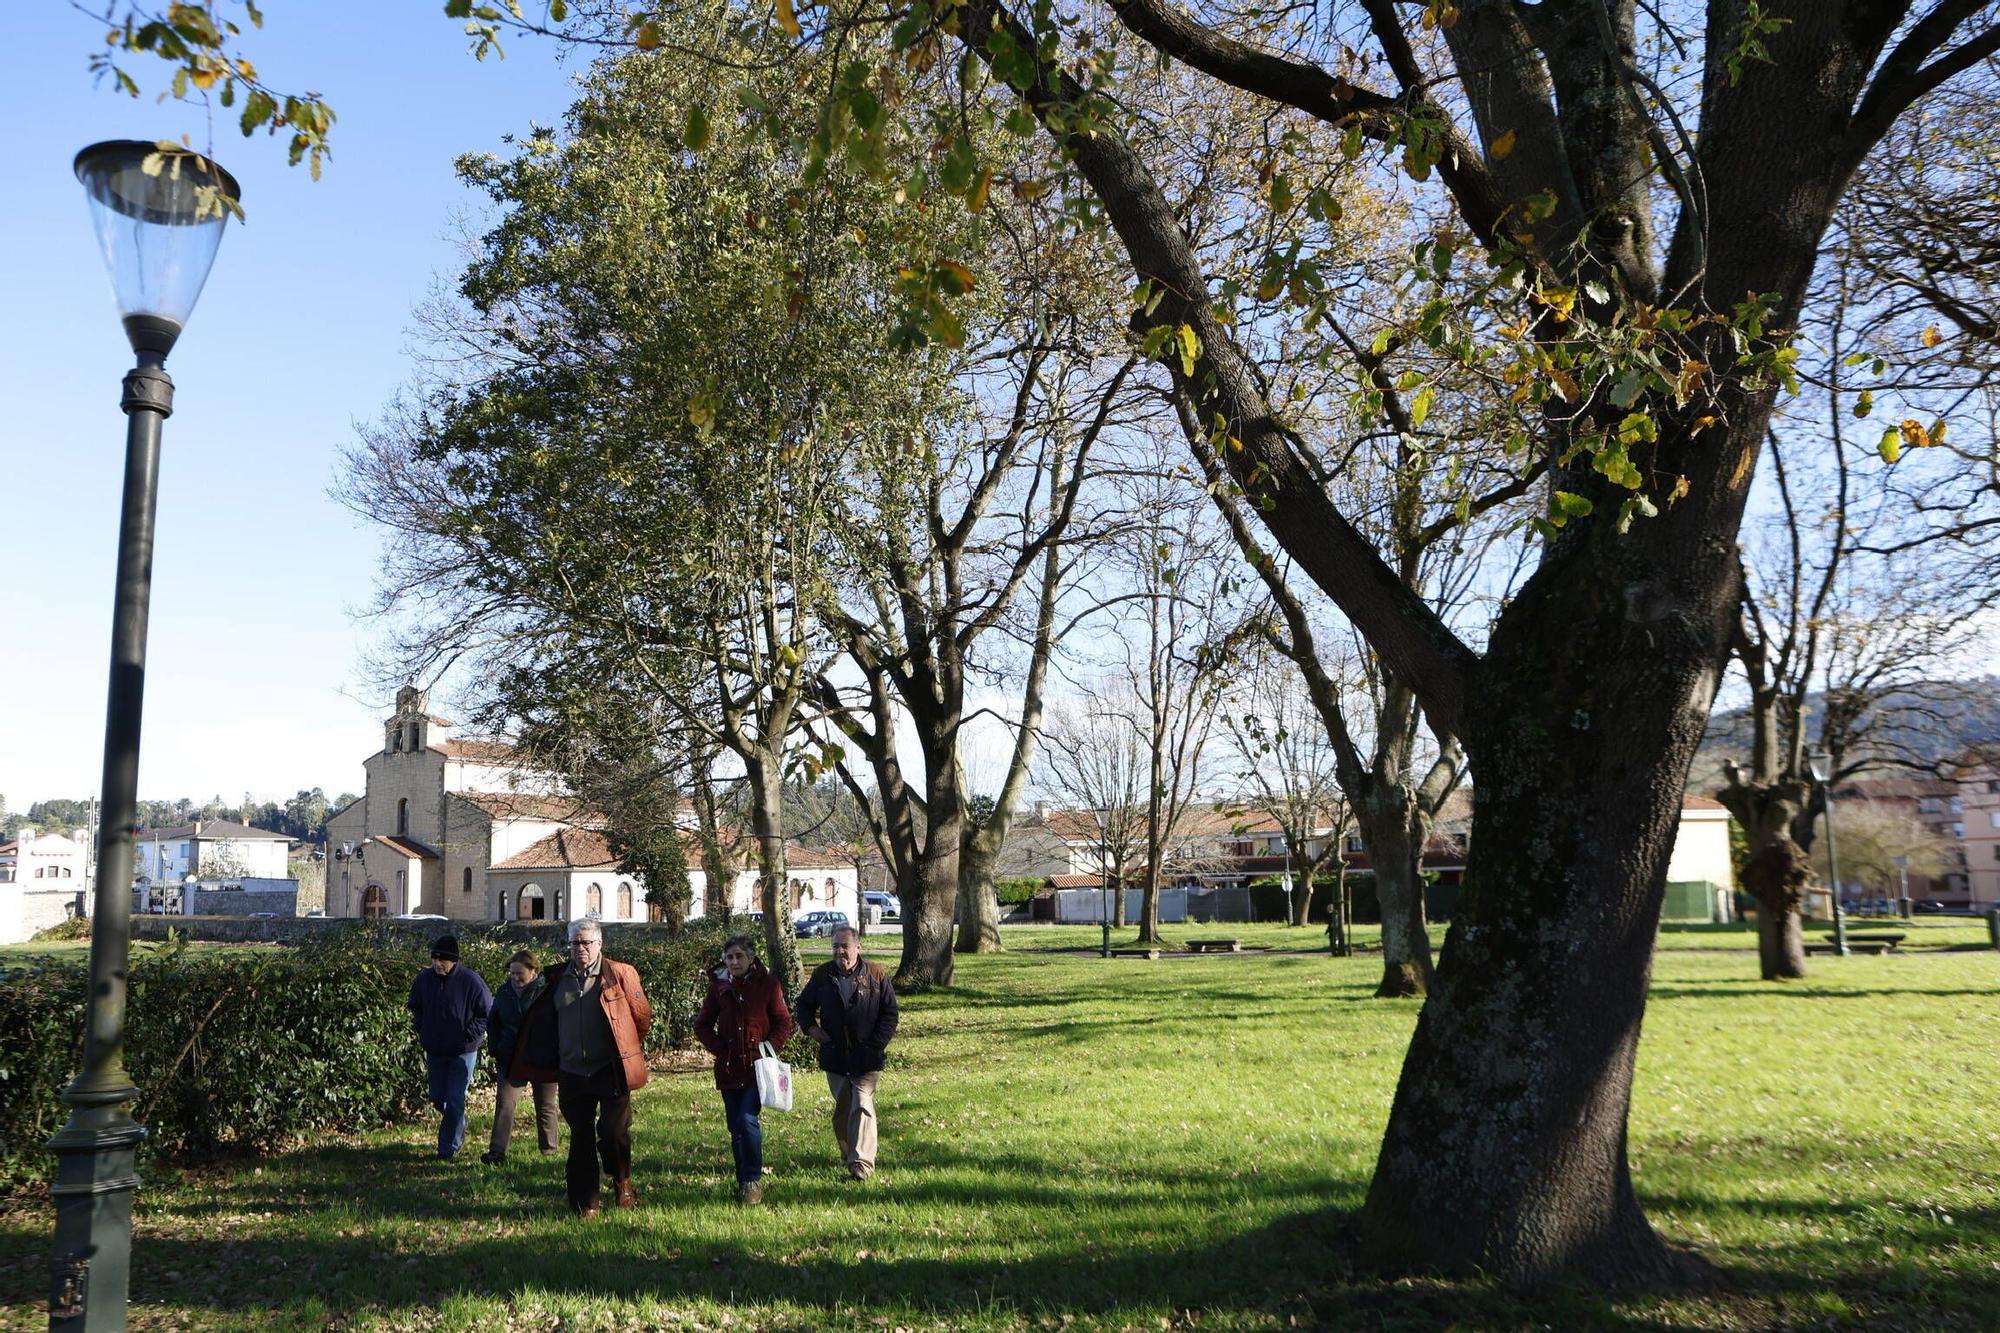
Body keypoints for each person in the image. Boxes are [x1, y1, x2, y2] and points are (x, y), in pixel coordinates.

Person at [508, 919, 653, 1216]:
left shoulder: (621, 974)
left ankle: (621, 1180)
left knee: (614, 1132)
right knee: (581, 1137)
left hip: (610, 1068)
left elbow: (642, 1018)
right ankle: (586, 1201)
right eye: (575, 943)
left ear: (599, 944)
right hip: (572, 1071)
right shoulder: (556, 979)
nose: (581, 949)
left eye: (586, 943)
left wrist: (625, 1048)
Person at [694, 933, 794, 1204]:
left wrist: (768, 1048)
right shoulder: (718, 988)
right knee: (735, 1126)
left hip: (757, 1069)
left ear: (751, 958)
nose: (734, 961)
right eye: (729, 957)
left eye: (739, 956)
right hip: (728, 1068)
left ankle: (752, 1180)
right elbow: (702, 1025)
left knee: (747, 1120)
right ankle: (742, 1181)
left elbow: (784, 1022)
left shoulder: (769, 985)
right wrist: (720, 1048)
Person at [793, 923, 898, 1180]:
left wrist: (875, 1045)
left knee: (862, 1104)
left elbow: (890, 1014)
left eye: (845, 946)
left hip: (867, 1056)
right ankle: (848, 1151)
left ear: (857, 947)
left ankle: (861, 1162)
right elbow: (803, 1006)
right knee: (843, 1107)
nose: (840, 951)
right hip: (835, 1055)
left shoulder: (876, 974)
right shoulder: (822, 976)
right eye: (835, 946)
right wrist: (812, 1030)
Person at [407, 934, 492, 1161]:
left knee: (455, 1098)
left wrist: (469, 1035)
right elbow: (414, 1005)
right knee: (437, 1097)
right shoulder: (424, 978)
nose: (438, 964)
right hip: (435, 1049)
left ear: (454, 961)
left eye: (443, 960)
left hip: (463, 1052)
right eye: (435, 959)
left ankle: (447, 1148)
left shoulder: (471, 981)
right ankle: (458, 1120)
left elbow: (486, 1013)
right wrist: (423, 1027)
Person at [481, 949, 560, 1163]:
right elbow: (494, 1021)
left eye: (520, 973)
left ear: (534, 971)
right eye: (512, 973)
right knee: (505, 1103)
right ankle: (497, 1152)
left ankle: (549, 1150)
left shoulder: (547, 992)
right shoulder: (504, 992)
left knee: (545, 1105)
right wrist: (495, 1047)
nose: (515, 978)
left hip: (542, 1057)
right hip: (510, 1057)